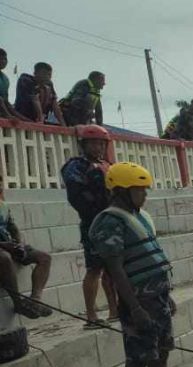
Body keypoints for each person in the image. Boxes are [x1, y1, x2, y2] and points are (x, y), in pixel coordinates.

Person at [89, 162, 193, 367]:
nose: (144, 195)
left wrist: (167, 296)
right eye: (139, 190)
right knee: (138, 359)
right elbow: (115, 271)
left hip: (158, 297)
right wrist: (135, 308)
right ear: (121, 191)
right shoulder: (109, 222)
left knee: (160, 355)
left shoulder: (138, 216)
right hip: (139, 301)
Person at [62, 124, 118, 328]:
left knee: (112, 268)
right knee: (94, 268)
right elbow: (77, 195)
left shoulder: (108, 164)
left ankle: (114, 310)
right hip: (92, 223)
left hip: (111, 220)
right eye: (93, 143)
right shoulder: (76, 166)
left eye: (101, 144)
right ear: (84, 145)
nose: (98, 148)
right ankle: (91, 315)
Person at [0, 172, 51, 318]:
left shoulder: (3, 206)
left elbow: (14, 228)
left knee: (44, 258)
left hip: (9, 244)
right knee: (4, 258)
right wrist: (5, 246)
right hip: (3, 249)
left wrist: (19, 244)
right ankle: (18, 304)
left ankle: (35, 301)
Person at [0, 49, 29, 121]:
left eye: (5, 59)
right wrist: (8, 116)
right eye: (1, 59)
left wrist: (23, 119)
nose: (4, 61)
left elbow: (6, 101)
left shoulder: (5, 79)